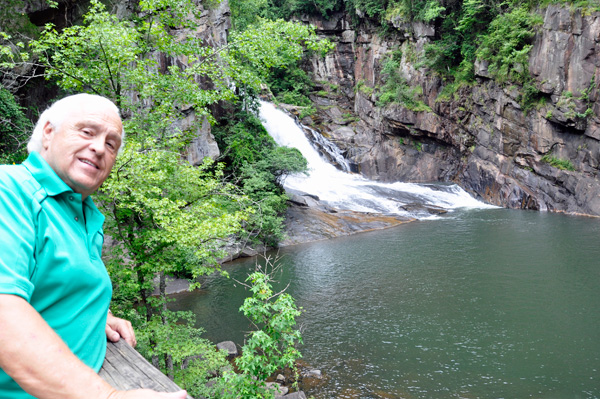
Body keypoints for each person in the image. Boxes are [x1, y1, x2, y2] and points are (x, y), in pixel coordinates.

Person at [0, 93, 187, 399]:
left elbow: (60, 282)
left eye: (111, 144)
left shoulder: (81, 211)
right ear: (48, 132)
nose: (100, 147)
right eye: (87, 132)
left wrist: (98, 311)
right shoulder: (9, 190)